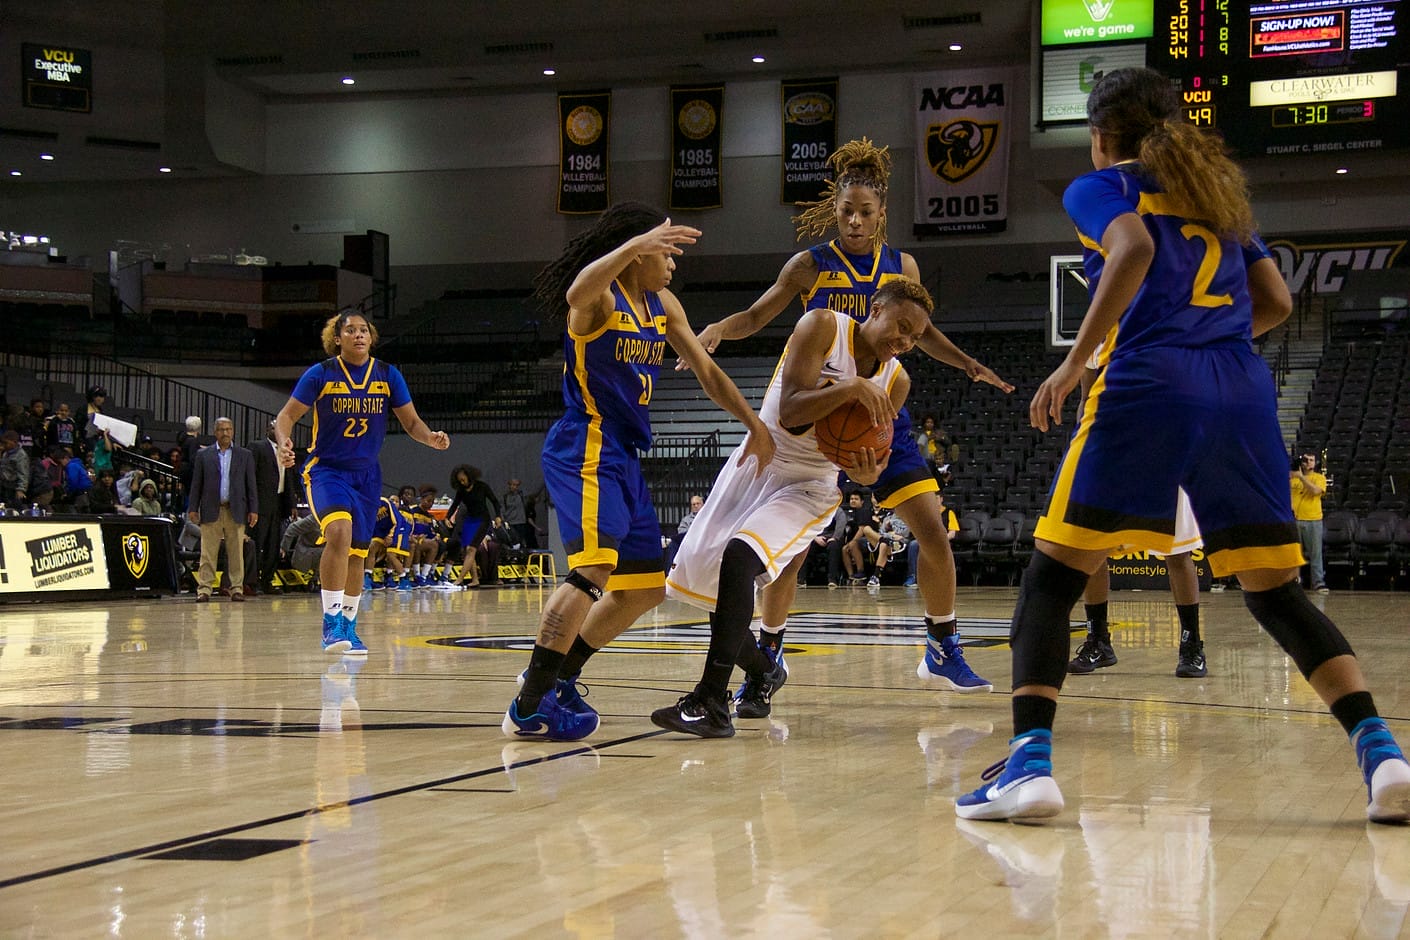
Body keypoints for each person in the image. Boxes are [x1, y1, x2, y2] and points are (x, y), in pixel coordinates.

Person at [956, 67, 1410, 824]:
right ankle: (1384, 756)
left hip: (1150, 382)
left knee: (1051, 580)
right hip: (1240, 384)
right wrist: (1214, 344)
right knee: (1276, 594)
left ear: (1100, 136)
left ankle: (1029, 769)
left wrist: (1076, 361)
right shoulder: (1215, 197)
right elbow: (1278, 302)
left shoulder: (1103, 188)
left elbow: (1130, 247)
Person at [687, 137, 1007, 694]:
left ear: (882, 215)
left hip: (878, 414)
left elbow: (921, 331)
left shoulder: (900, 266)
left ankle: (941, 645)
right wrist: (719, 328)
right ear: (832, 212)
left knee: (932, 528)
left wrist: (967, 364)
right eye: (846, 212)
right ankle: (770, 650)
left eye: (866, 213)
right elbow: (761, 313)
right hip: (819, 417)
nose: (855, 222)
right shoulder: (811, 264)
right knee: (785, 557)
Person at [502, 202, 772, 742]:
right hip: (585, 443)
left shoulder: (662, 304)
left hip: (624, 454)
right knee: (593, 572)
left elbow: (707, 370)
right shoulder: (599, 299)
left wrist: (754, 424)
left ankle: (563, 677)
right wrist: (630, 245)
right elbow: (575, 292)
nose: (674, 262)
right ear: (637, 251)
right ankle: (527, 705)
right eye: (665, 250)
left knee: (647, 587)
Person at [653, 279, 931, 736]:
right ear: (875, 310)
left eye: (914, 338)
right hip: (757, 460)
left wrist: (866, 475)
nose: (903, 342)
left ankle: (711, 701)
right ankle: (764, 670)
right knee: (711, 590)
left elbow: (872, 461)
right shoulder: (821, 326)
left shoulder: (896, 380)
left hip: (810, 484)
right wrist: (851, 388)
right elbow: (791, 412)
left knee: (739, 558)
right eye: (900, 327)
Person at [274, 309, 450, 652]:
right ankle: (330, 622)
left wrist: (431, 438)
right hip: (327, 470)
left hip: (367, 475)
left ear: (371, 337)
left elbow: (412, 423)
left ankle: (349, 627)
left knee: (358, 551)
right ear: (336, 338)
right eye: (350, 330)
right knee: (338, 531)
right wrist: (283, 442)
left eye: (364, 330)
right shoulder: (321, 374)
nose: (358, 335)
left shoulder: (387, 374)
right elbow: (286, 416)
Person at [1067, 344, 1208, 679]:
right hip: (1113, 453)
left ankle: (1192, 644)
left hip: (1165, 450)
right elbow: (1086, 401)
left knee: (1177, 553)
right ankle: (1098, 640)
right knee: (1092, 551)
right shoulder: (1097, 334)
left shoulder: (1166, 329)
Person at [188, 417, 258, 603]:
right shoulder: (204, 455)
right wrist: (193, 507)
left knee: (236, 553)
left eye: (228, 429)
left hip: (236, 509)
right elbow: (196, 484)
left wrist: (253, 509)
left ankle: (236, 588)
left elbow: (251, 484)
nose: (225, 433)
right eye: (221, 429)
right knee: (207, 553)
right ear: (215, 432)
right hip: (211, 509)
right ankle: (204, 589)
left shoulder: (245, 455)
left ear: (233, 431)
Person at [250, 420, 297, 595]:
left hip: (279, 503)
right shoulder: (257, 447)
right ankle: (252, 582)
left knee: (273, 545)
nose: (275, 431)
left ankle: (267, 581)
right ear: (267, 430)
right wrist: (251, 504)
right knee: (258, 544)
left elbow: (289, 478)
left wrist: (292, 503)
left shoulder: (287, 450)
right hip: (261, 504)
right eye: (272, 428)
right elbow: (251, 476)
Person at [446, 465, 499, 588]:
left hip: (482, 520)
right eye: (459, 480)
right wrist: (447, 517)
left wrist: (498, 516)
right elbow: (455, 504)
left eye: (463, 479)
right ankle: (475, 579)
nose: (462, 482)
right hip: (469, 520)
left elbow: (495, 501)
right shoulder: (461, 490)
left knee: (471, 549)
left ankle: (458, 580)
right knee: (466, 551)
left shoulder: (482, 486)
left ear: (469, 476)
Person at [1291, 451, 1329, 594]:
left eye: (1312, 460)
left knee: (1315, 553)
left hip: (1313, 520)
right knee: (1295, 554)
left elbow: (1314, 491)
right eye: (1306, 460)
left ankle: (1318, 582)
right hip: (1296, 519)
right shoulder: (1292, 479)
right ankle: (1295, 580)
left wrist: (1301, 477)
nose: (1309, 463)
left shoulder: (1319, 478)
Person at [665, 493, 704, 570]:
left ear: (703, 504)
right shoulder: (686, 520)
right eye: (693, 504)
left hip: (703, 541)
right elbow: (681, 532)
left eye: (698, 503)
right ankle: (670, 572)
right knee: (673, 544)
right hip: (689, 542)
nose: (696, 506)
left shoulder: (708, 517)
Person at [500, 477, 537, 550]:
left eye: (516, 485)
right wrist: (503, 520)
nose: (514, 487)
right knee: (512, 540)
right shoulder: (505, 497)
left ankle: (521, 555)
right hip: (510, 522)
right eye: (512, 485)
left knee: (521, 540)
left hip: (520, 521)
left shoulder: (521, 495)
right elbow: (502, 509)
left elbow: (533, 495)